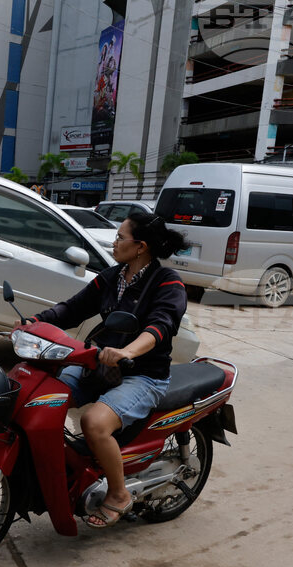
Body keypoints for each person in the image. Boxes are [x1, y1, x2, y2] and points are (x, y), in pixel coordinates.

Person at [18, 212, 188, 528]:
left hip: (142, 374)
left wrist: (127, 351)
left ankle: (119, 494)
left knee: (93, 423)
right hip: (99, 365)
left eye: (120, 237)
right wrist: (34, 322)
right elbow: (72, 309)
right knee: (39, 398)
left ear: (140, 246)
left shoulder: (167, 282)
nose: (114, 242)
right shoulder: (111, 277)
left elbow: (161, 326)